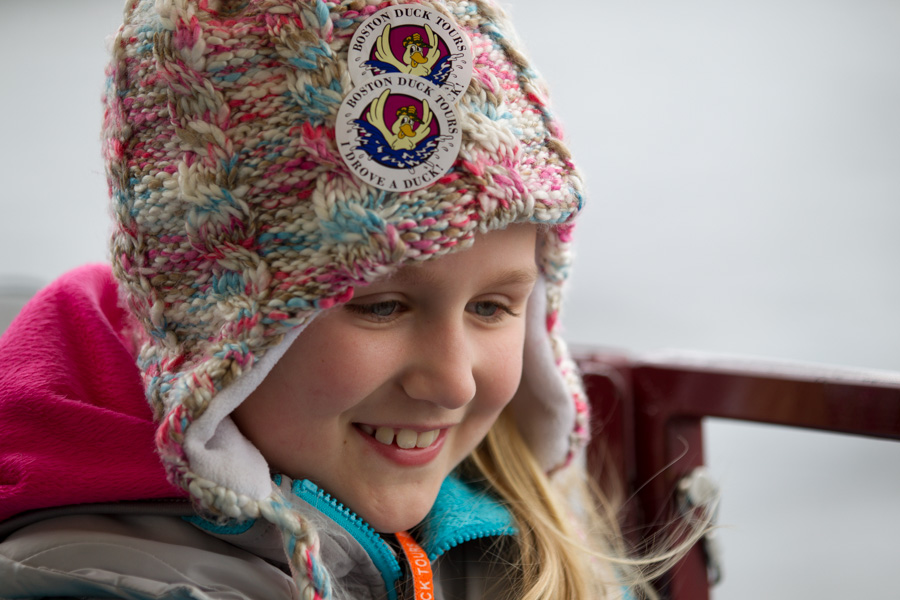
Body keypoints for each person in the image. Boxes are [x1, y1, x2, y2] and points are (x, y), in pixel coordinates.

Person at [0, 1, 697, 598]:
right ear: (219, 332)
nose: (453, 383)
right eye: (382, 307)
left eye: (491, 307)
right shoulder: (98, 577)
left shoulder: (514, 535)